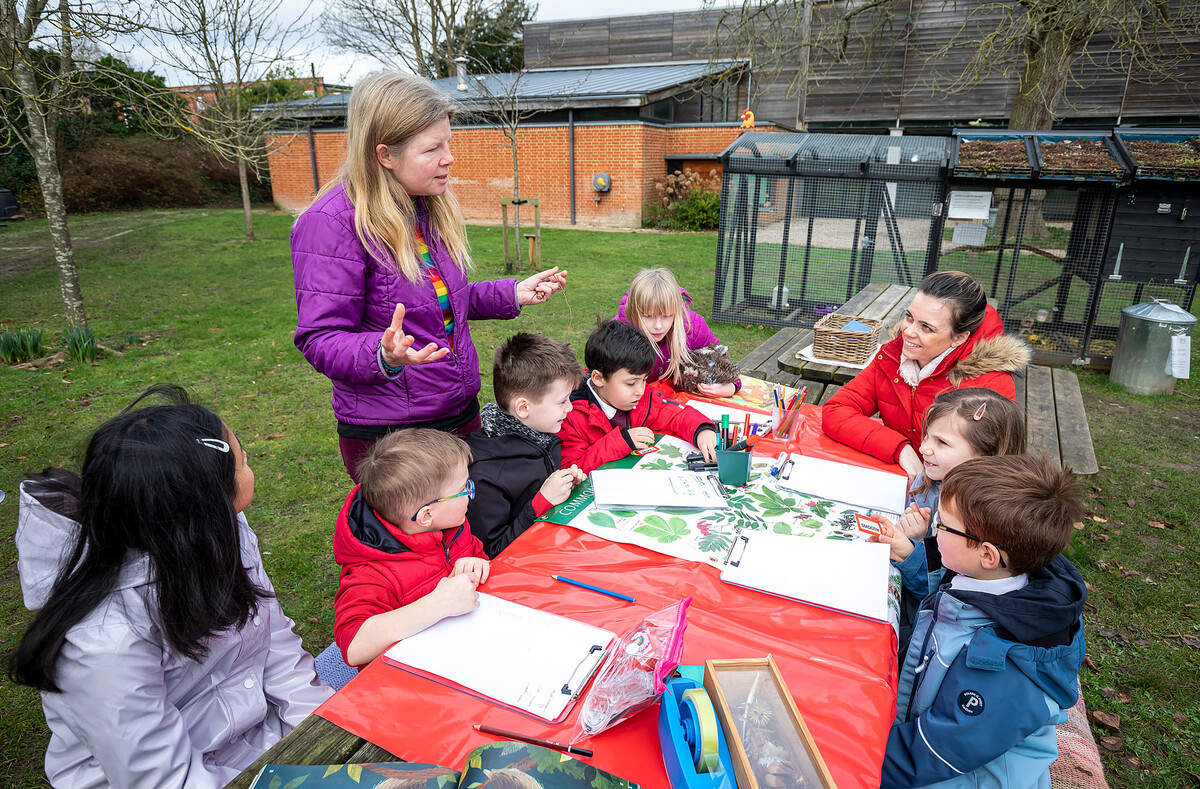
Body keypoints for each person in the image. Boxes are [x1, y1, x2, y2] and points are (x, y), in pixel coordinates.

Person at [10, 385, 332, 789]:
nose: (248, 460)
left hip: (258, 743)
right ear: (204, 501)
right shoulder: (102, 641)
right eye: (239, 459)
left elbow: (277, 648)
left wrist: (322, 739)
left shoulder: (222, 533)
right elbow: (163, 779)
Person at [291, 70, 566, 482]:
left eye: (448, 142)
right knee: (425, 544)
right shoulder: (331, 224)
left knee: (474, 533)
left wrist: (512, 293)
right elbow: (320, 338)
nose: (449, 157)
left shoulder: (425, 207)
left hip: (457, 414)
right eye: (432, 148)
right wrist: (382, 355)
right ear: (385, 155)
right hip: (394, 437)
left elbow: (441, 302)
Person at [879, 453, 1086, 788]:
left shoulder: (1000, 667)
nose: (933, 528)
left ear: (987, 555)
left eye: (942, 525)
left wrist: (854, 758)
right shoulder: (983, 579)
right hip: (932, 743)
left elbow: (932, 754)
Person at [822, 271, 1030, 480]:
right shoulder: (892, 356)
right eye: (909, 317)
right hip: (900, 477)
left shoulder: (990, 385)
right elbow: (835, 410)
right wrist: (900, 449)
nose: (908, 331)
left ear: (958, 338)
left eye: (927, 328)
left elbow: (989, 472)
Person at [871, 387, 1025, 651]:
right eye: (926, 436)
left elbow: (943, 593)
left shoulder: (988, 519)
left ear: (984, 456)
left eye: (941, 443)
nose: (923, 449)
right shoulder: (930, 479)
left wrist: (912, 551)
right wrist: (916, 535)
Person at [334, 429, 489, 667]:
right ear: (426, 515)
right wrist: (436, 605)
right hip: (413, 676)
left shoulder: (449, 526)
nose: (471, 493)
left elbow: (476, 555)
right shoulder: (372, 573)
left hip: (466, 649)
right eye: (462, 489)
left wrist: (478, 564)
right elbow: (353, 646)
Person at [467, 333, 587, 558]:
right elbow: (491, 551)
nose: (570, 408)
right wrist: (542, 502)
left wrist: (565, 486)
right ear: (523, 408)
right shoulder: (485, 476)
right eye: (562, 401)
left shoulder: (540, 434)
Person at [559, 319, 719, 474]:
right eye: (631, 383)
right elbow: (571, 469)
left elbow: (674, 413)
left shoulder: (640, 397)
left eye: (644, 380)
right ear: (599, 379)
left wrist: (701, 430)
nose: (641, 390)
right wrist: (621, 442)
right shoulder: (571, 415)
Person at [616, 267, 740, 396]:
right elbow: (600, 381)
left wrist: (730, 387)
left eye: (666, 316)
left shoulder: (693, 327)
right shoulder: (617, 334)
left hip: (678, 403)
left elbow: (723, 366)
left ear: (676, 311)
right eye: (648, 316)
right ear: (634, 311)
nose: (658, 326)